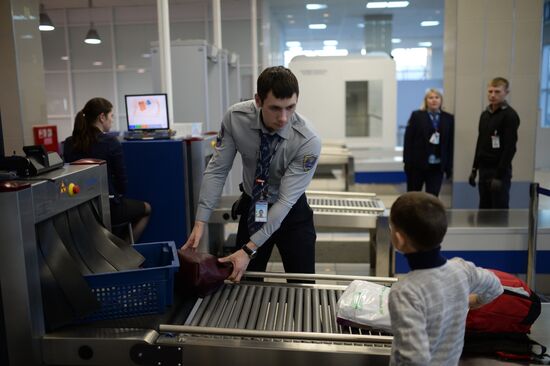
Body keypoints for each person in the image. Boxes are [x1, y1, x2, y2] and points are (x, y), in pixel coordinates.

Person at [182, 66, 322, 282]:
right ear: (258, 100)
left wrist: (248, 250)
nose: (283, 118)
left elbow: (285, 202)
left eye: (290, 107)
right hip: (254, 207)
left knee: (302, 285)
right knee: (245, 281)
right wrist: (201, 221)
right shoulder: (236, 118)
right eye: (275, 108)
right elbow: (218, 170)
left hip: (291, 212)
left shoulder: (307, 139)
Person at [388, 192, 503, 365]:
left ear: (399, 239)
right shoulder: (461, 269)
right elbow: (495, 287)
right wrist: (472, 301)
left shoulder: (405, 292)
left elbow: (415, 358)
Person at [63, 97, 151, 242]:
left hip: (78, 212)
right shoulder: (110, 142)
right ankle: (125, 252)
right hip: (108, 209)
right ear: (102, 117)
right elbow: (122, 185)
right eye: (111, 116)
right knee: (147, 209)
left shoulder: (69, 143)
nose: (112, 120)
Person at [469, 77, 520, 209]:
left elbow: (510, 148)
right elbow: (480, 143)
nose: (492, 95)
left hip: (499, 171)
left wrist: (499, 176)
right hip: (484, 169)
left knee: (499, 209)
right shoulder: (485, 115)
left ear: (506, 92)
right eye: (490, 91)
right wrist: (474, 169)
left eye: (497, 92)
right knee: (484, 208)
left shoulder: (510, 115)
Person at [403, 88, 454, 197]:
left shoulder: (448, 118)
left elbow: (450, 144)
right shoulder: (417, 116)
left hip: (437, 166)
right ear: (426, 100)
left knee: (433, 197)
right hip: (417, 165)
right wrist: (407, 163)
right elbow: (408, 140)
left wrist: (449, 166)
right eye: (430, 98)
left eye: (437, 97)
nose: (434, 100)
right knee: (413, 197)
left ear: (441, 100)